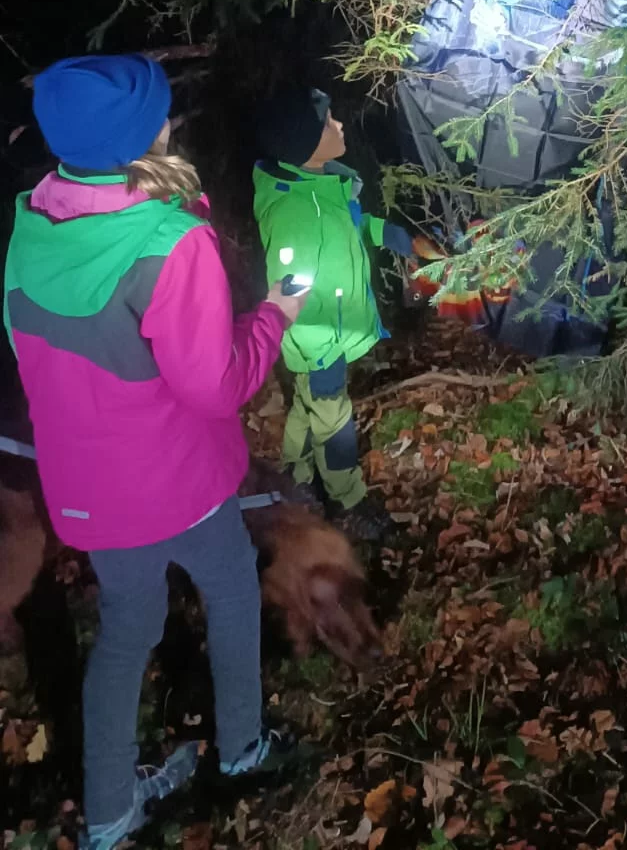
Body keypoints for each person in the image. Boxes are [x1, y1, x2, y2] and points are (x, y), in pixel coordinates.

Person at [2, 54, 308, 850]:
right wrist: (272, 316)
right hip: (180, 482)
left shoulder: (32, 225)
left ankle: (108, 815)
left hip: (89, 495)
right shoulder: (171, 244)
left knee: (126, 626)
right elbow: (216, 384)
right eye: (161, 113)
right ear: (146, 135)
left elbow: (34, 352)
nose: (170, 120)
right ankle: (241, 747)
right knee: (231, 589)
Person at [252, 87, 420, 540]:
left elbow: (352, 224)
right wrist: (320, 351)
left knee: (308, 408)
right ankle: (349, 499)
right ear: (304, 143)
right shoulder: (295, 211)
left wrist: (397, 238)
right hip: (319, 339)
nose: (339, 125)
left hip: (328, 334)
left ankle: (297, 479)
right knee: (334, 421)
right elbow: (290, 290)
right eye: (328, 122)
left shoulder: (320, 187)